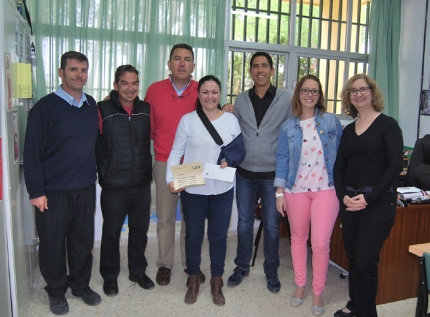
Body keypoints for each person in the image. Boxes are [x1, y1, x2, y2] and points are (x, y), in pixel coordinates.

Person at [23, 51, 101, 315]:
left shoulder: (91, 105)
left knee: (82, 242)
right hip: (53, 192)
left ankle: (79, 285)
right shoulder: (44, 108)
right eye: (73, 69)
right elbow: (31, 153)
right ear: (61, 72)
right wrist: (36, 192)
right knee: (53, 244)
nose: (79, 75)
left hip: (84, 188)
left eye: (83, 70)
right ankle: (56, 292)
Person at [166, 75, 241, 306]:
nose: (210, 96)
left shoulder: (231, 120)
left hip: (222, 188)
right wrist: (171, 178)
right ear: (199, 95)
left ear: (221, 94)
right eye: (205, 92)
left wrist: (230, 160)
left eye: (214, 92)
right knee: (194, 236)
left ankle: (216, 280)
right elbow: (176, 151)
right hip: (194, 189)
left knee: (219, 236)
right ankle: (193, 278)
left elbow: (239, 150)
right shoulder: (188, 120)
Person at [333, 74, 403, 317]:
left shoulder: (388, 125)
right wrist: (343, 196)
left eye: (363, 89)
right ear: (349, 97)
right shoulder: (349, 130)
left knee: (365, 261)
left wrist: (369, 198)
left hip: (377, 204)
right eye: (353, 91)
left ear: (372, 93)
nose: (358, 94)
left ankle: (366, 313)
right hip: (350, 204)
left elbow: (395, 166)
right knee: (353, 257)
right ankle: (355, 305)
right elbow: (339, 167)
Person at [274, 75, 342, 316]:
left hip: (326, 190)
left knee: (321, 244)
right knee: (298, 238)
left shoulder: (332, 122)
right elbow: (282, 159)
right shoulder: (288, 127)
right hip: (296, 191)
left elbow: (343, 156)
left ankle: (318, 290)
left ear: (319, 94)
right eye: (305, 90)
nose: (310, 94)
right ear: (298, 93)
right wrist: (279, 193)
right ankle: (301, 285)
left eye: (314, 91)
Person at [225, 51, 293, 293]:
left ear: (272, 71)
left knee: (272, 226)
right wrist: (226, 110)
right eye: (255, 66)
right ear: (251, 71)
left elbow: (291, 134)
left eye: (265, 66)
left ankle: (271, 271)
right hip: (245, 172)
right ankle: (241, 266)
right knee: (244, 223)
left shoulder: (286, 100)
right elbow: (232, 128)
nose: (260, 70)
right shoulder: (241, 99)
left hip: (273, 175)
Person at [144, 43, 205, 286]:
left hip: (192, 166)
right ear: (168, 64)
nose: (182, 63)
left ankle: (192, 265)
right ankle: (165, 265)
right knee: (166, 218)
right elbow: (150, 128)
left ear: (193, 65)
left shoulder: (202, 90)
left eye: (187, 59)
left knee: (192, 219)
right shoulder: (155, 90)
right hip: (164, 163)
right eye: (177, 58)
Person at [96, 65, 154, 296]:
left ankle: (137, 271)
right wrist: (104, 171)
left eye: (134, 83)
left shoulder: (146, 108)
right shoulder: (102, 109)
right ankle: (109, 277)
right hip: (114, 185)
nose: (130, 88)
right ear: (115, 85)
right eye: (125, 83)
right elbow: (92, 143)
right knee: (111, 233)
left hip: (141, 183)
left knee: (139, 231)